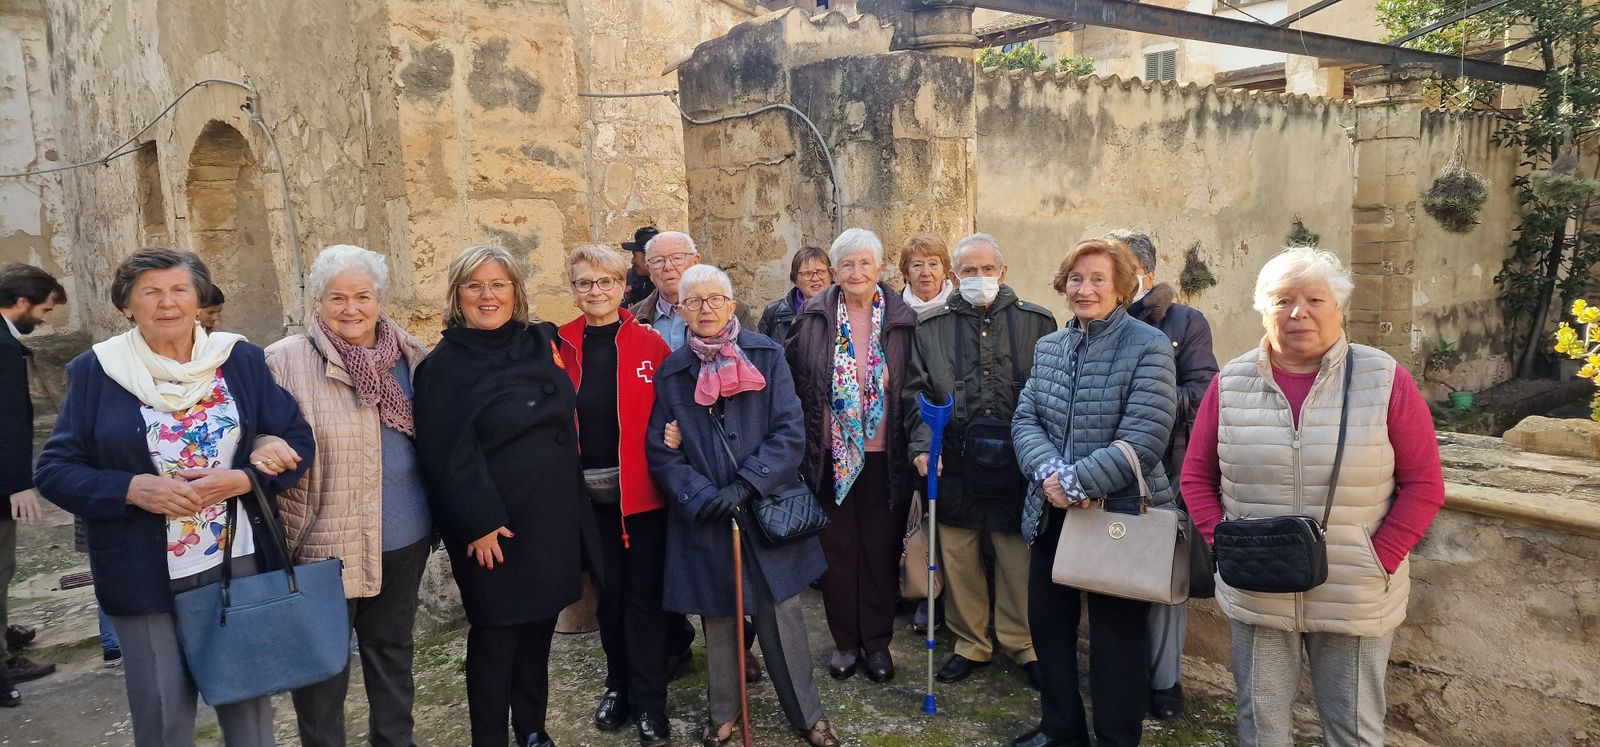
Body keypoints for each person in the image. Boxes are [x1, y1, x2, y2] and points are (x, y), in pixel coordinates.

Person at [34, 247, 314, 746]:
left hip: (234, 558)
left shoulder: (237, 359)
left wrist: (246, 478)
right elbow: (55, 471)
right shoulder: (97, 371)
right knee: (163, 715)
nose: (167, 302)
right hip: (141, 569)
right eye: (151, 292)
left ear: (198, 298)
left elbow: (296, 439)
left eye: (179, 289)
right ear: (127, 305)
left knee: (248, 707)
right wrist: (131, 488)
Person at [1182, 247, 1444, 747]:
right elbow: (1196, 477)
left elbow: (1424, 484)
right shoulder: (1231, 382)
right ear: (1264, 310)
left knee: (1353, 730)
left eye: (1314, 300)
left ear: (1338, 308)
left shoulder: (1384, 378)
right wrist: (1226, 548)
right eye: (1283, 300)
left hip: (1354, 591)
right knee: (1261, 726)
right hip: (1257, 588)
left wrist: (1379, 558)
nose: (1298, 312)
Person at [645, 264, 840, 747]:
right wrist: (700, 495)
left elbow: (789, 431)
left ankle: (808, 715)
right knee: (719, 615)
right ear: (681, 310)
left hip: (765, 505)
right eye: (694, 301)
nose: (706, 308)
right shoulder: (672, 372)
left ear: (732, 305)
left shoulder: (766, 355)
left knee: (782, 613)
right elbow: (661, 450)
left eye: (716, 299)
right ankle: (723, 712)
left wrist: (747, 484)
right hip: (709, 514)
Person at [412, 244, 597, 747]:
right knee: (497, 633)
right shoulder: (444, 366)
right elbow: (446, 455)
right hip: (494, 526)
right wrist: (479, 523)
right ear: (457, 296)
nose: (487, 295)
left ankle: (532, 728)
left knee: (538, 626)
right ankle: (489, 738)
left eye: (498, 284)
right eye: (474, 286)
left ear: (516, 292)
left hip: (550, 514)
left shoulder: (539, 341)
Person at [252, 245, 433, 747]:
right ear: (317, 301)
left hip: (404, 536)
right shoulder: (284, 360)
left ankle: (395, 741)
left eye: (362, 296)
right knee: (322, 670)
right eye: (337, 297)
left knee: (392, 651)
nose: (351, 309)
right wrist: (262, 442)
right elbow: (252, 429)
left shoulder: (411, 355)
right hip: (321, 544)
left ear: (379, 299)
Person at [1009, 238, 1177, 747]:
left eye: (1098, 279)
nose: (1085, 289)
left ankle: (1117, 738)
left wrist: (1078, 482)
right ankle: (1061, 730)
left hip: (1117, 513)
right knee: (1049, 627)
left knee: (1116, 640)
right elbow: (1026, 418)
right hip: (1051, 509)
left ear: (1122, 288)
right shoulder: (1050, 347)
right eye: (1076, 279)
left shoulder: (1148, 345)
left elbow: (1145, 437)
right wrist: (1050, 474)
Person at [902, 234, 1055, 690]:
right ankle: (971, 643)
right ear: (955, 276)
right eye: (969, 270)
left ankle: (1021, 641)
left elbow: (1051, 394)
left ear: (1003, 273)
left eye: (987, 269)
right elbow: (917, 394)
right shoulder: (930, 327)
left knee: (1017, 558)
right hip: (954, 459)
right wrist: (924, 446)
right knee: (958, 555)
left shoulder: (1037, 322)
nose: (979, 277)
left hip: (1017, 460)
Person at [786, 228, 917, 683]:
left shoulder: (904, 320)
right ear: (834, 271)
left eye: (865, 263)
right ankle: (845, 642)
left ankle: (877, 643)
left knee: (880, 551)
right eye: (847, 264)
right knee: (837, 552)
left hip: (885, 455)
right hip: (830, 456)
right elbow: (792, 384)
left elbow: (919, 389)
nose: (856, 271)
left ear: (880, 268)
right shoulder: (812, 318)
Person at [556, 244, 675, 746]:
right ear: (573, 288)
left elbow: (675, 408)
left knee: (644, 599)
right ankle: (618, 686)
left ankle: (650, 700)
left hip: (643, 496)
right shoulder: (557, 346)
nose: (596, 291)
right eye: (585, 282)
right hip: (585, 500)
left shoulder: (651, 344)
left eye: (606, 281)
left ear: (624, 286)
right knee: (609, 598)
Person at [1114, 229, 1219, 720]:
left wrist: (1143, 403)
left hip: (1165, 467)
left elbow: (1203, 392)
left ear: (1148, 275)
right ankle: (1121, 678)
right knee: (1111, 574)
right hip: (1107, 468)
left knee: (1164, 578)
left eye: (1124, 267)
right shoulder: (1091, 319)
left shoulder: (1185, 322)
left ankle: (1164, 683)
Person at [0, 264, 64, 703]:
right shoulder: (4, 347)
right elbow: (7, 420)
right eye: (43, 310)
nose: (43, 319)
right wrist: (18, 483)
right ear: (22, 302)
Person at [628, 230, 701, 351]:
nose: (668, 267)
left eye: (677, 258)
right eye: (658, 261)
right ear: (649, 269)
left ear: (695, 262)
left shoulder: (725, 311)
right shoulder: (632, 319)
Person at [758, 247, 831, 343]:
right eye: (807, 273)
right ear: (795, 280)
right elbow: (762, 350)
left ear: (831, 275)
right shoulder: (773, 313)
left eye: (821, 272)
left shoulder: (843, 309)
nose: (815, 278)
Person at [899, 233, 953, 315]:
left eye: (933, 264)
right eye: (917, 265)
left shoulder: (962, 310)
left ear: (944, 270)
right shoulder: (893, 311)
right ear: (907, 273)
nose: (926, 273)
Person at [621, 226, 658, 308]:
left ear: (647, 256)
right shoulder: (634, 278)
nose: (632, 261)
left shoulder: (668, 288)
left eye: (635, 255)